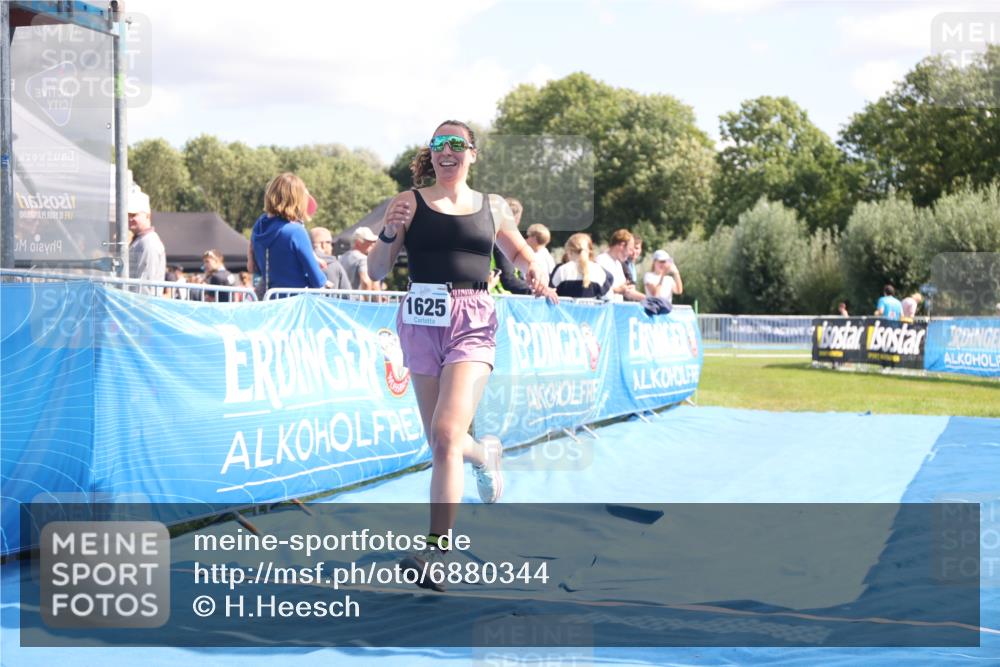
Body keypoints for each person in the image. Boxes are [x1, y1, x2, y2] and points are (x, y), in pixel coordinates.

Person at [367, 120, 555, 590]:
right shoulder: (408, 201)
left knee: (448, 432)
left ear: (472, 153)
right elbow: (375, 268)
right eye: (439, 145)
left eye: (456, 144)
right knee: (443, 443)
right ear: (431, 155)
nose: (447, 151)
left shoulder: (491, 206)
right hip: (421, 318)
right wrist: (390, 234)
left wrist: (536, 270)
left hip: (472, 318)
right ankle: (485, 455)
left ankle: (436, 553)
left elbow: (520, 255)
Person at [248, 173, 330, 295]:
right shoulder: (296, 232)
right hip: (294, 305)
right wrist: (324, 280)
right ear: (298, 199)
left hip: (267, 302)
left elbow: (256, 269)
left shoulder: (258, 227)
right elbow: (318, 280)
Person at [127, 188, 166, 295]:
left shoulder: (149, 242)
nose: (130, 219)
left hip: (142, 305)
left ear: (147, 216)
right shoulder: (141, 240)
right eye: (128, 215)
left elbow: (146, 283)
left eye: (134, 215)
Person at [550, 233, 613, 299]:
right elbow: (608, 298)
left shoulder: (561, 270)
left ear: (569, 252)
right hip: (591, 309)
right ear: (589, 251)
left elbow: (550, 295)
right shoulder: (599, 271)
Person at [595, 229, 644, 302]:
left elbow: (626, 292)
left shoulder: (618, 264)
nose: (631, 253)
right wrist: (618, 290)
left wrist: (648, 299)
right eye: (630, 249)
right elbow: (598, 291)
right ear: (622, 245)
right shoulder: (601, 261)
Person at [309, 227, 351, 291]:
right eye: (331, 243)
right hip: (331, 301)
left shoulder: (301, 262)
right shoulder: (334, 265)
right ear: (323, 244)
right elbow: (348, 294)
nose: (332, 247)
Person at [340, 227, 380, 292]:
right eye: (369, 242)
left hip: (343, 300)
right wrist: (368, 301)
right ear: (358, 242)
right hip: (358, 300)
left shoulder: (342, 257)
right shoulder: (363, 259)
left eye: (373, 242)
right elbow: (365, 282)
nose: (373, 245)